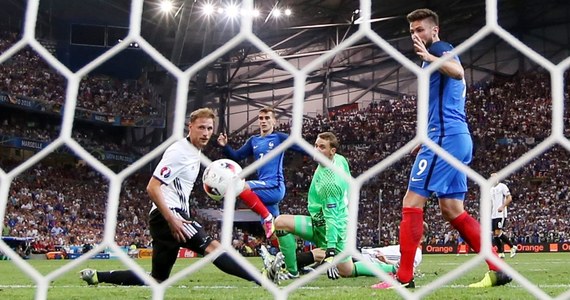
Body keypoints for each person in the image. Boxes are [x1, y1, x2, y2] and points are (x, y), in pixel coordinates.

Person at [375, 9, 511, 289]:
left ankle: (403, 278)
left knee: (411, 204)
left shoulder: (440, 49)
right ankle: (497, 268)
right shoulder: (433, 57)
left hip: (446, 139)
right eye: (412, 31)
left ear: (434, 30)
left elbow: (458, 72)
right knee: (451, 209)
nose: (416, 35)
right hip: (454, 138)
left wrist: (430, 57)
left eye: (420, 30)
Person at [80, 108, 258, 286]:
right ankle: (261, 277)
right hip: (170, 214)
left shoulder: (194, 151)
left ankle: (97, 276)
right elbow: (152, 187)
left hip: (163, 218)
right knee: (213, 248)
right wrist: (171, 218)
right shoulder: (179, 152)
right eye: (201, 128)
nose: (206, 133)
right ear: (191, 127)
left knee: (157, 278)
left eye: (209, 129)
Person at [269, 132, 396, 282]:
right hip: (319, 223)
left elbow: (332, 219)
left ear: (332, 151)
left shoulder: (329, 184)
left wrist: (330, 251)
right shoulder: (340, 160)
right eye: (316, 145)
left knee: (347, 270)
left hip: (333, 229)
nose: (316, 149)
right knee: (281, 223)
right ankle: (292, 272)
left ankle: (393, 268)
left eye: (322, 147)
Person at [217, 106, 304, 279]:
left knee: (239, 185)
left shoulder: (279, 137)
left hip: (274, 186)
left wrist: (318, 154)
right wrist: (225, 146)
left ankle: (265, 216)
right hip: (264, 190)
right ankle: (295, 265)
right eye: (261, 118)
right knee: (277, 233)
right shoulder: (253, 141)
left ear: (274, 121)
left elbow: (300, 147)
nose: (263, 121)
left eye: (267, 118)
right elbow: (236, 157)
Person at [490, 173, 517, 258]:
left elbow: (509, 198)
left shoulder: (502, 186)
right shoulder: (490, 189)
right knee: (494, 234)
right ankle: (501, 252)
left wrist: (502, 206)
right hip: (493, 214)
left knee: (498, 232)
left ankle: (512, 247)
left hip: (501, 213)